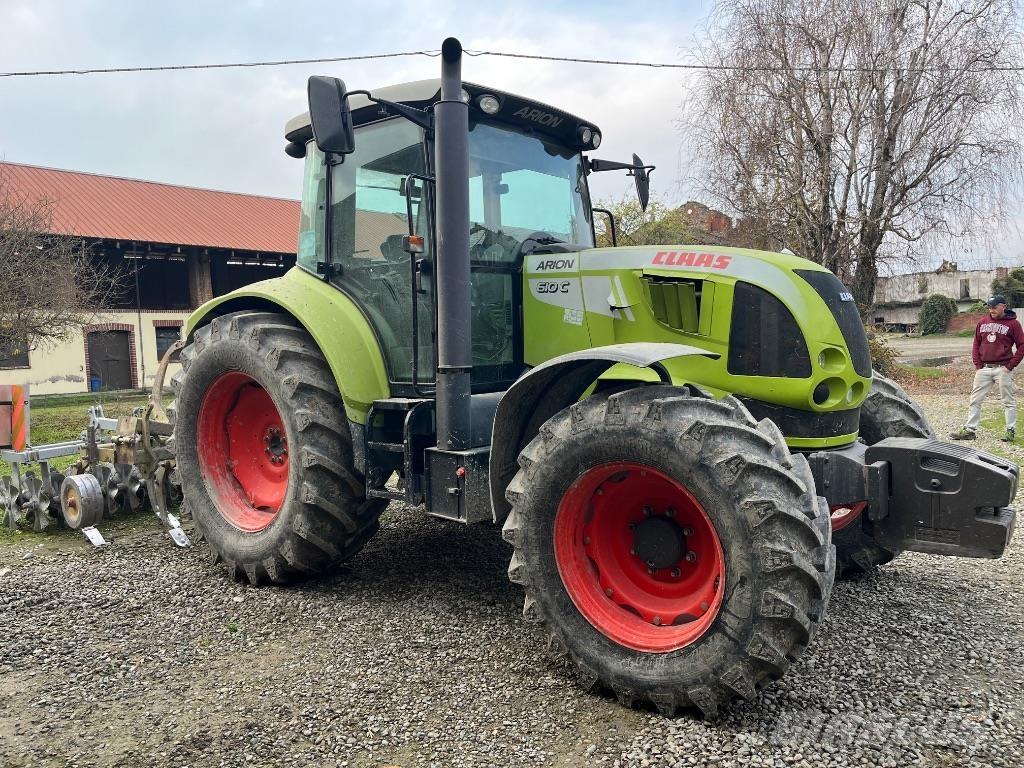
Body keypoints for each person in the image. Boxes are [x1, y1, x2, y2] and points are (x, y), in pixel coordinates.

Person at [951, 295, 1024, 442]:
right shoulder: (983, 322)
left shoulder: (1013, 324)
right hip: (984, 369)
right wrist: (978, 366)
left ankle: (1010, 431)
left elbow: (1022, 346)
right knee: (975, 400)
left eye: (994, 307)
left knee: (1007, 401)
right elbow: (976, 344)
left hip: (1003, 369)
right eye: (989, 307)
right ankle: (970, 430)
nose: (991, 310)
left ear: (1003, 306)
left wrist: (1010, 366)